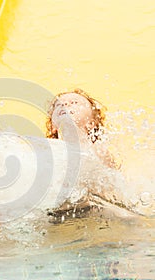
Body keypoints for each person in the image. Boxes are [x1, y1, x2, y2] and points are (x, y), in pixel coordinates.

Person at [45, 88, 124, 221]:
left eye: (74, 102)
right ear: (53, 125)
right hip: (57, 216)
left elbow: (113, 188)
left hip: (97, 214)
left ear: (92, 123)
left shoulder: (97, 150)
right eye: (59, 105)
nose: (65, 105)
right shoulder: (47, 151)